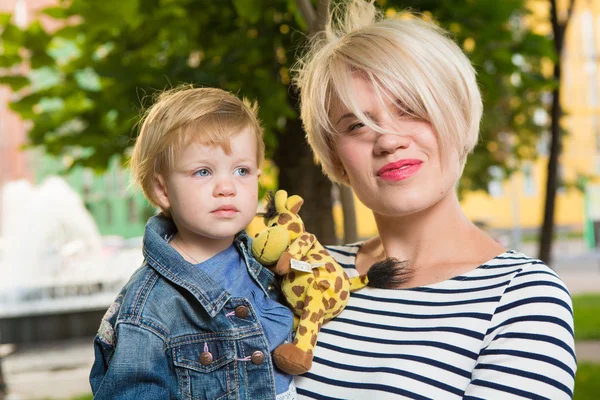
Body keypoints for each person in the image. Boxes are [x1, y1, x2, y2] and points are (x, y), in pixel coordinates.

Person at [292, 1, 576, 399]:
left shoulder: (521, 297)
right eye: (357, 124)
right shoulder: (306, 275)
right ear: (336, 157)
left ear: (457, 120)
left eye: (410, 110)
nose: (389, 140)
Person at [89, 86, 296, 400]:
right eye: (203, 171)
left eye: (241, 170)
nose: (226, 187)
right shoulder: (149, 309)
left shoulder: (264, 264)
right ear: (163, 190)